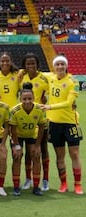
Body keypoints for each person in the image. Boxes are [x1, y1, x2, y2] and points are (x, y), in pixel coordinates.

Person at [40, 55, 83, 195]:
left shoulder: (73, 81)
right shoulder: (50, 77)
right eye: (57, 64)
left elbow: (69, 103)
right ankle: (63, 183)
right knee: (60, 156)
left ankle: (78, 184)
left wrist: (49, 107)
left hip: (71, 122)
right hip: (54, 123)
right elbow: (31, 71)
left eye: (62, 64)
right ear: (53, 66)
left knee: (75, 154)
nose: (59, 67)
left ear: (66, 66)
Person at [0, 52, 20, 189]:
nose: (5, 63)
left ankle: (15, 182)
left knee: (15, 150)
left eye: (7, 60)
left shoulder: (17, 76)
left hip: (13, 117)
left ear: (11, 61)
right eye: (2, 61)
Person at [20, 53, 50, 191]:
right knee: (28, 151)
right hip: (25, 119)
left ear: (37, 65)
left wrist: (46, 101)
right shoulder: (21, 77)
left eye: (33, 63)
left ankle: (45, 179)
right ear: (24, 66)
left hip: (40, 118)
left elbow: (51, 95)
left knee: (42, 150)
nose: (31, 66)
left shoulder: (44, 78)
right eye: (28, 64)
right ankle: (28, 179)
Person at [10, 82, 46, 196]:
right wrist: (16, 146)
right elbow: (13, 130)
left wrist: (37, 145)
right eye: (24, 99)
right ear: (20, 99)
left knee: (36, 156)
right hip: (18, 136)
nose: (27, 101)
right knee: (17, 157)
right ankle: (16, 186)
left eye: (30, 98)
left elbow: (41, 128)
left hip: (32, 135)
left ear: (34, 98)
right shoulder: (15, 111)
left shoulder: (39, 110)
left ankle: (36, 187)